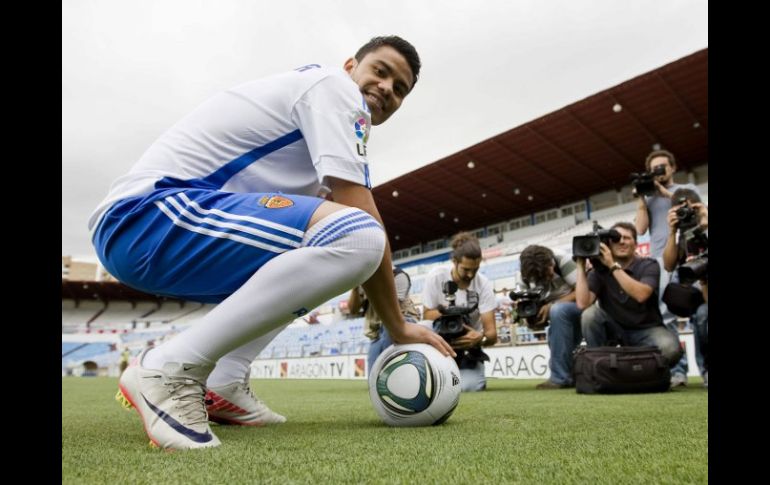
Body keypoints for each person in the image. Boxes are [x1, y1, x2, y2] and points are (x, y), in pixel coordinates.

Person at [90, 36, 453, 450]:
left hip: (154, 229)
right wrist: (398, 325)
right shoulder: (334, 88)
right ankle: (167, 369)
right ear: (350, 64)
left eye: (400, 89)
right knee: (359, 235)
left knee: (323, 245)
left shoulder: (321, 125)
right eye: (381, 71)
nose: (387, 88)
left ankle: (225, 381)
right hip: (146, 217)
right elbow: (363, 219)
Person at [633, 149, 700, 387]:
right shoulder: (649, 198)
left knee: (699, 315)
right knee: (667, 316)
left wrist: (663, 192)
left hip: (693, 255)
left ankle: (705, 370)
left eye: (662, 167)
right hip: (661, 260)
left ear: (672, 167)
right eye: (654, 170)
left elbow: (695, 214)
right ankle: (678, 372)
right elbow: (640, 230)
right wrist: (641, 198)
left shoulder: (686, 190)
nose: (658, 172)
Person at [576, 222, 683, 367]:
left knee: (671, 349)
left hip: (647, 329)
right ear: (608, 244)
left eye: (627, 238)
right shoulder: (599, 271)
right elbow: (583, 303)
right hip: (615, 329)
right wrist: (580, 266)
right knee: (590, 314)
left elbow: (641, 295)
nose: (621, 241)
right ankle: (600, 365)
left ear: (636, 244)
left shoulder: (648, 265)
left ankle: (634, 369)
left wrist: (612, 266)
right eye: (616, 239)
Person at [422, 232, 497, 392]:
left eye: (475, 269)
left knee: (470, 386)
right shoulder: (436, 276)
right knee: (422, 326)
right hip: (440, 341)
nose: (470, 274)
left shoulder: (483, 285)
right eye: (466, 269)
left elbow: (491, 335)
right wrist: (449, 313)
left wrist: (480, 338)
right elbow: (427, 315)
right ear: (454, 262)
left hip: (469, 347)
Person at [514, 245, 580, 390]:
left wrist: (552, 305)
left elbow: (583, 292)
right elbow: (527, 306)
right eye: (545, 275)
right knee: (555, 326)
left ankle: (560, 378)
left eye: (550, 268)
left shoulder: (563, 260)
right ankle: (567, 375)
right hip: (558, 316)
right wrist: (532, 319)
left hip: (580, 307)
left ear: (551, 260)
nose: (551, 273)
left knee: (557, 310)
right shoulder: (524, 277)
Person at [662, 188, 708, 387]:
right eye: (679, 209)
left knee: (703, 315)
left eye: (689, 207)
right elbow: (668, 264)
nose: (685, 213)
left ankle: (706, 370)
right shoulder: (679, 234)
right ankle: (678, 371)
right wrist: (672, 231)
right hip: (693, 288)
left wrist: (705, 225)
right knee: (668, 310)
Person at [347, 266, 421, 374]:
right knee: (373, 377)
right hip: (377, 330)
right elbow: (353, 310)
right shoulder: (363, 279)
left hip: (401, 322)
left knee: (388, 369)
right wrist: (355, 286)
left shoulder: (398, 275)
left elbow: (392, 309)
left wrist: (370, 288)